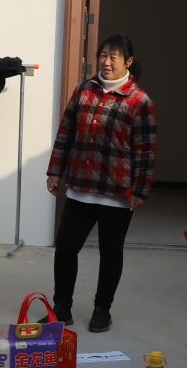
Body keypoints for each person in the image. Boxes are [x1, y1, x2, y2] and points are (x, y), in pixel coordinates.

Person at [47, 34, 157, 333]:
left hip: (117, 192)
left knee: (110, 253)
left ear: (128, 62)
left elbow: (145, 150)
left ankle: (102, 310)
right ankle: (61, 309)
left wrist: (140, 190)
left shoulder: (139, 100)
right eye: (103, 55)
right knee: (66, 248)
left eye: (114, 57)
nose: (106, 62)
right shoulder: (84, 90)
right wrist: (55, 170)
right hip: (80, 187)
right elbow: (66, 132)